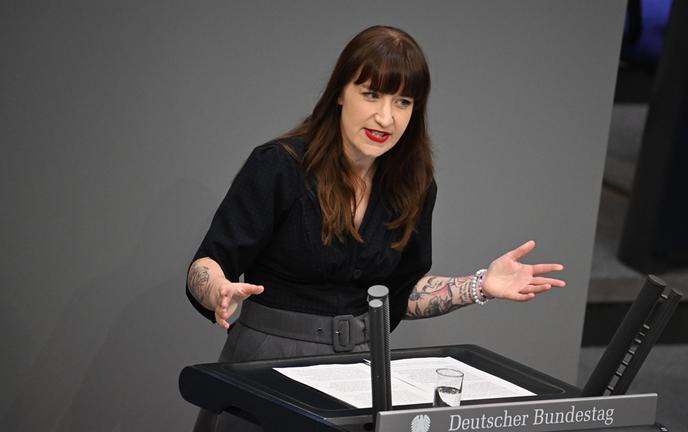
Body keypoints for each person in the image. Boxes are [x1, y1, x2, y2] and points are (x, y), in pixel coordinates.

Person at [186, 25, 565, 432]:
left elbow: (398, 296)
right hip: (267, 359)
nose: (385, 117)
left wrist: (479, 285)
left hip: (361, 370)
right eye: (371, 95)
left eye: (402, 102)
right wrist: (219, 290)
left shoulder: (414, 186)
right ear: (339, 93)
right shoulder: (279, 167)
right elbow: (205, 265)